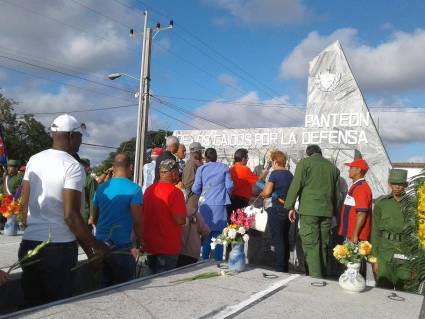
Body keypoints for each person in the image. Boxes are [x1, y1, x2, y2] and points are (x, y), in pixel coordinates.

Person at [19, 114, 108, 306]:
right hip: (57, 249)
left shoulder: (34, 159)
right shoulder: (73, 166)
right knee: (57, 307)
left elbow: (23, 205)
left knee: (32, 305)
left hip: (29, 243)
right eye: (79, 137)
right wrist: (94, 247)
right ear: (70, 136)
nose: (80, 142)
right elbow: (71, 216)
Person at [284, 145, 340, 278]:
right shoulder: (333, 168)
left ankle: (316, 278)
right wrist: (334, 213)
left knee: (311, 245)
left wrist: (290, 206)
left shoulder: (304, 163)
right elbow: (336, 195)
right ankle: (324, 276)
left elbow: (296, 185)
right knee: (324, 245)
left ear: (308, 154)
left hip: (309, 211)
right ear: (320, 153)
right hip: (327, 211)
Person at [92, 153, 143, 287]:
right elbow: (137, 220)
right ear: (130, 167)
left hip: (101, 243)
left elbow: (93, 216)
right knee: (124, 288)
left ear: (113, 168)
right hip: (123, 245)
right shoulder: (135, 189)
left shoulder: (101, 188)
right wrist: (140, 241)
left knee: (103, 286)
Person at [143, 159, 187, 274]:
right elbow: (180, 220)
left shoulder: (149, 191)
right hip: (168, 247)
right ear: (173, 173)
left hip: (150, 246)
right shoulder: (175, 192)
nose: (178, 175)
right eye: (178, 172)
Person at [371, 169, 412, 290]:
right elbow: (374, 232)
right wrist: (374, 260)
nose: (397, 187)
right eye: (394, 183)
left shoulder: (413, 205)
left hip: (405, 254)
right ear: (389, 184)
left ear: (405, 185)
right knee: (383, 290)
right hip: (384, 253)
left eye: (400, 184)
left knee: (405, 292)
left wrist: (416, 263)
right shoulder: (381, 204)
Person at [192, 148, 233, 262]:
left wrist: (203, 194)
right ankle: (218, 260)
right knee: (219, 234)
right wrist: (225, 195)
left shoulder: (201, 169)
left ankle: (204, 259)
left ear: (205, 157)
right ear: (216, 157)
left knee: (206, 233)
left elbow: (195, 188)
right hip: (220, 204)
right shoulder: (224, 168)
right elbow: (229, 186)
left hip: (206, 205)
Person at [260, 150, 293, 272]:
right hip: (287, 210)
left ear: (275, 161)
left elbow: (267, 192)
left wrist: (263, 193)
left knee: (278, 240)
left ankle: (279, 269)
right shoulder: (290, 175)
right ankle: (285, 266)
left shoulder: (275, 173)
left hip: (276, 209)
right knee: (284, 238)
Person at [338, 159, 372, 243]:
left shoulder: (361, 188)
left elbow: (362, 213)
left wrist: (355, 234)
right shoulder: (356, 186)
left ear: (358, 170)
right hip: (350, 234)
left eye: (351, 167)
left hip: (356, 237)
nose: (348, 170)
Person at [228, 148, 268, 220]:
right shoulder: (245, 169)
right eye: (247, 158)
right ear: (243, 159)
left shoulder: (231, 169)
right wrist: (264, 174)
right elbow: (257, 181)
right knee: (241, 225)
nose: (248, 160)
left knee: (232, 225)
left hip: (231, 200)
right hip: (241, 202)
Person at [182, 142, 204, 211]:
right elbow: (188, 183)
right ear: (196, 152)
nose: (201, 153)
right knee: (192, 220)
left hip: (194, 198)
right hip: (192, 198)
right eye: (200, 151)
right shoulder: (191, 164)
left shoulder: (194, 163)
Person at [80, 158, 97, 230]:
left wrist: (91, 216)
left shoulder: (90, 179)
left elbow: (92, 198)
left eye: (87, 166)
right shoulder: (75, 177)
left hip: (85, 216)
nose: (87, 168)